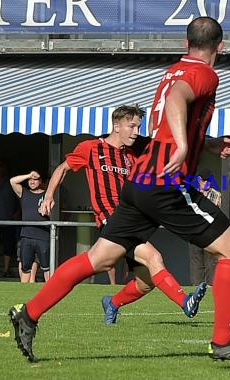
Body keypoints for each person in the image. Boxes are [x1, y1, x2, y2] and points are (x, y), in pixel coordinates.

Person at [9, 17, 230, 364]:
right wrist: (181, 148)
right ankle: (222, 340)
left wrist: (204, 143)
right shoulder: (205, 73)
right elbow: (178, 101)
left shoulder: (172, 71)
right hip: (165, 183)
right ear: (221, 46)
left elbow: (170, 116)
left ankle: (29, 314)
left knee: (99, 259)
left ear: (184, 43)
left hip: (139, 182)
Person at [38, 104, 206, 324]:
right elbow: (63, 168)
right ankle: (185, 301)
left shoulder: (132, 155)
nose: (137, 132)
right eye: (132, 126)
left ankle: (113, 302)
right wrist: (49, 195)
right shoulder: (91, 148)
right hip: (111, 219)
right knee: (154, 257)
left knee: (146, 281)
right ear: (117, 126)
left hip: (133, 219)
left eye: (138, 126)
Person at [10, 171, 50, 283]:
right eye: (30, 179)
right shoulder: (24, 193)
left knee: (47, 267)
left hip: (43, 236)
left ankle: (51, 291)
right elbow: (12, 181)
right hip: (26, 236)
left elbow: (52, 208)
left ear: (41, 181)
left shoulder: (47, 194)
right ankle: (24, 292)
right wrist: (29, 175)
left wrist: (46, 212)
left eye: (35, 179)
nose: (32, 181)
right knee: (25, 267)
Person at [189, 168, 221, 286]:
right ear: (199, 180)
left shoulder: (217, 195)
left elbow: (221, 214)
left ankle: (210, 286)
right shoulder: (192, 194)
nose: (206, 182)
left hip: (210, 232)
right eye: (204, 180)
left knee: (211, 262)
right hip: (195, 232)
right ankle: (197, 286)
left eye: (208, 180)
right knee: (196, 262)